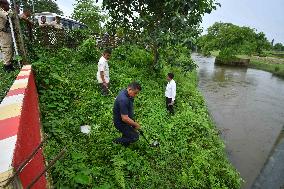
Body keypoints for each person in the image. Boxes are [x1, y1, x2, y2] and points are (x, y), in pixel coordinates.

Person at [113, 82, 142, 146]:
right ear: (129, 89)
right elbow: (125, 118)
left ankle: (125, 144)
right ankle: (115, 141)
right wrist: (136, 124)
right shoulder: (123, 100)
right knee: (135, 137)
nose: (136, 95)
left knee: (128, 133)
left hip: (126, 120)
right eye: (135, 93)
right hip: (121, 123)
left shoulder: (126, 92)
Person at [0, 0, 14, 72]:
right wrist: (11, 11)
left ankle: (9, 64)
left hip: (5, 31)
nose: (8, 6)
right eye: (7, 4)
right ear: (2, 4)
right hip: (3, 32)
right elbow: (8, 16)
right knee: (7, 48)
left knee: (9, 47)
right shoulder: (1, 11)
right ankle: (7, 66)